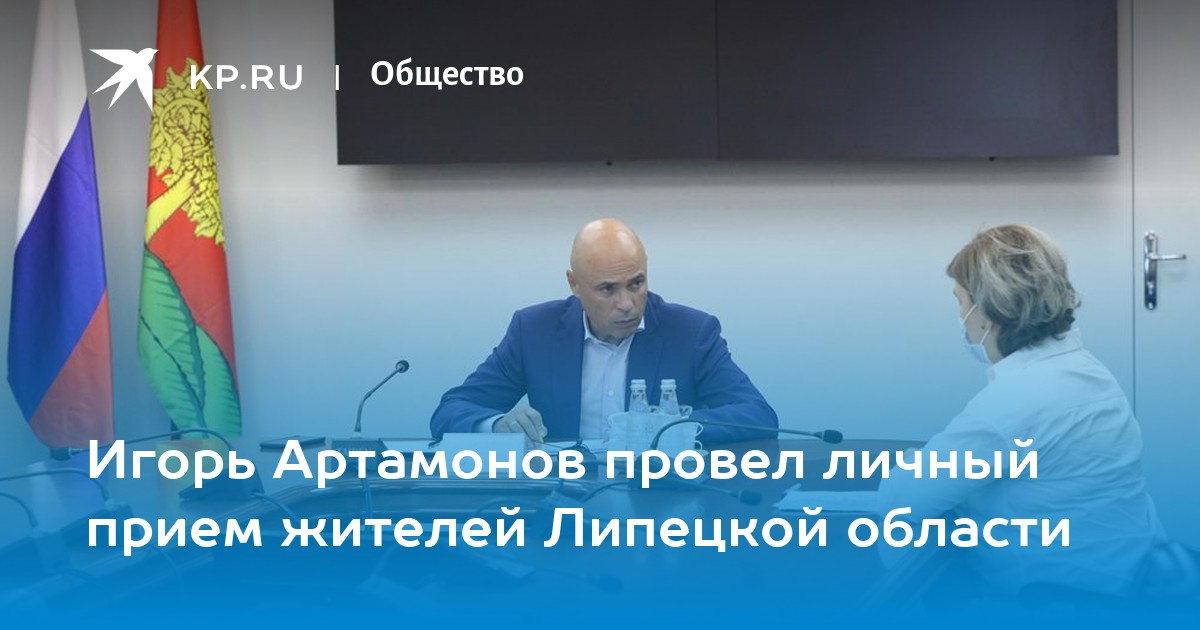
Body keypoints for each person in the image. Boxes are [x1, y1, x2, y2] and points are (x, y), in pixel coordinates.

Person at [877, 225, 1164, 595]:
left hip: (1060, 600)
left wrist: (913, 464)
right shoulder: (1088, 371)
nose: (961, 315)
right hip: (1127, 579)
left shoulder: (1014, 403)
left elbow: (904, 502)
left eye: (961, 301)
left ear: (988, 313)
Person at [430, 218, 777, 444]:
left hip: (659, 500)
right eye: (608, 289)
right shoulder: (533, 331)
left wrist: (672, 429)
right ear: (574, 284)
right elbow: (451, 410)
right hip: (563, 500)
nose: (626, 304)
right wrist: (496, 426)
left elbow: (759, 415)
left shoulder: (690, 333)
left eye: (636, 283)